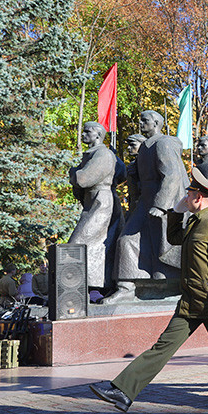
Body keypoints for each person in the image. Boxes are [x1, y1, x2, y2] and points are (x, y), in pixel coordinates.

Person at [89, 168, 208, 414]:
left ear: (199, 197)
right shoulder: (194, 222)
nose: (186, 198)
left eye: (189, 195)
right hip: (190, 302)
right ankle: (123, 392)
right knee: (162, 348)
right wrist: (177, 213)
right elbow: (173, 238)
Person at [106, 110, 188, 303]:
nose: (141, 123)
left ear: (157, 123)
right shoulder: (145, 147)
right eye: (140, 120)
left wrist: (161, 205)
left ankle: (177, 285)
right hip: (145, 200)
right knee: (126, 240)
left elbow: (173, 175)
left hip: (164, 200)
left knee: (165, 246)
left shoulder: (163, 143)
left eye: (145, 120)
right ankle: (126, 286)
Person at [68, 121, 126, 291]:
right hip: (95, 201)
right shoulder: (99, 153)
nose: (83, 135)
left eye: (87, 132)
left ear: (98, 135)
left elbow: (83, 179)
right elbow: (121, 172)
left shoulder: (103, 154)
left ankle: (75, 287)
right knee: (97, 246)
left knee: (77, 244)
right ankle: (94, 287)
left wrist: (73, 173)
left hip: (101, 203)